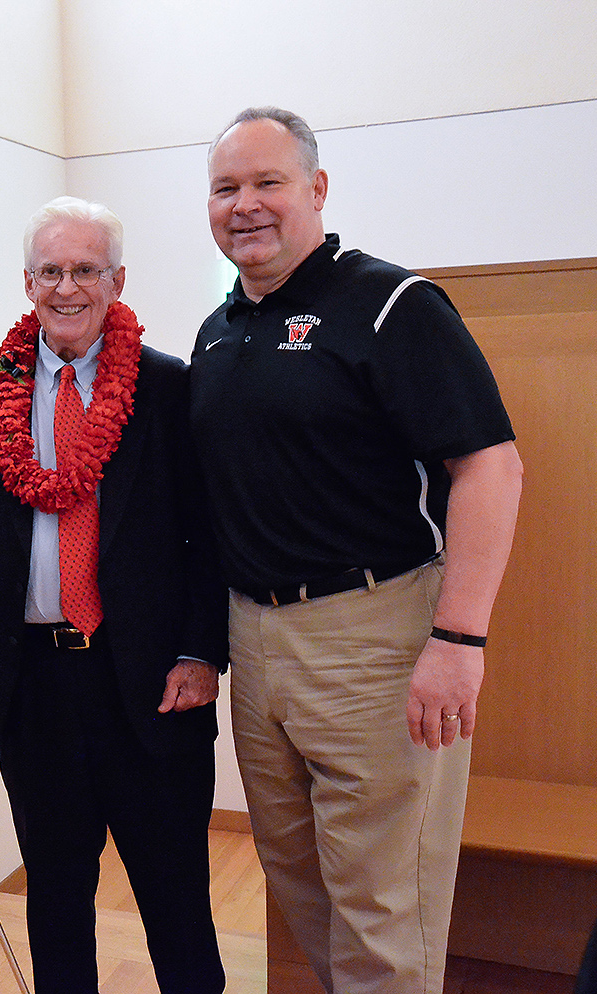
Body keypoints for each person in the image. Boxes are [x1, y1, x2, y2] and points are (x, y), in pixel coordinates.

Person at [190, 107, 524, 994]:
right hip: (254, 642)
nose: (246, 205)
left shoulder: (392, 305)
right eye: (227, 188)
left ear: (317, 190)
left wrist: (458, 641)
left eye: (269, 183)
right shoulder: (219, 333)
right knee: (304, 890)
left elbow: (490, 466)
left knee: (385, 910)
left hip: (376, 639)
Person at [0, 196, 227, 993]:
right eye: (52, 272)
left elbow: (211, 536)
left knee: (177, 907)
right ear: (28, 282)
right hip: (33, 689)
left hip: (153, 687)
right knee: (56, 905)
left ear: (118, 280)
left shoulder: (169, 390)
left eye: (86, 271)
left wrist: (203, 653)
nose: (68, 288)